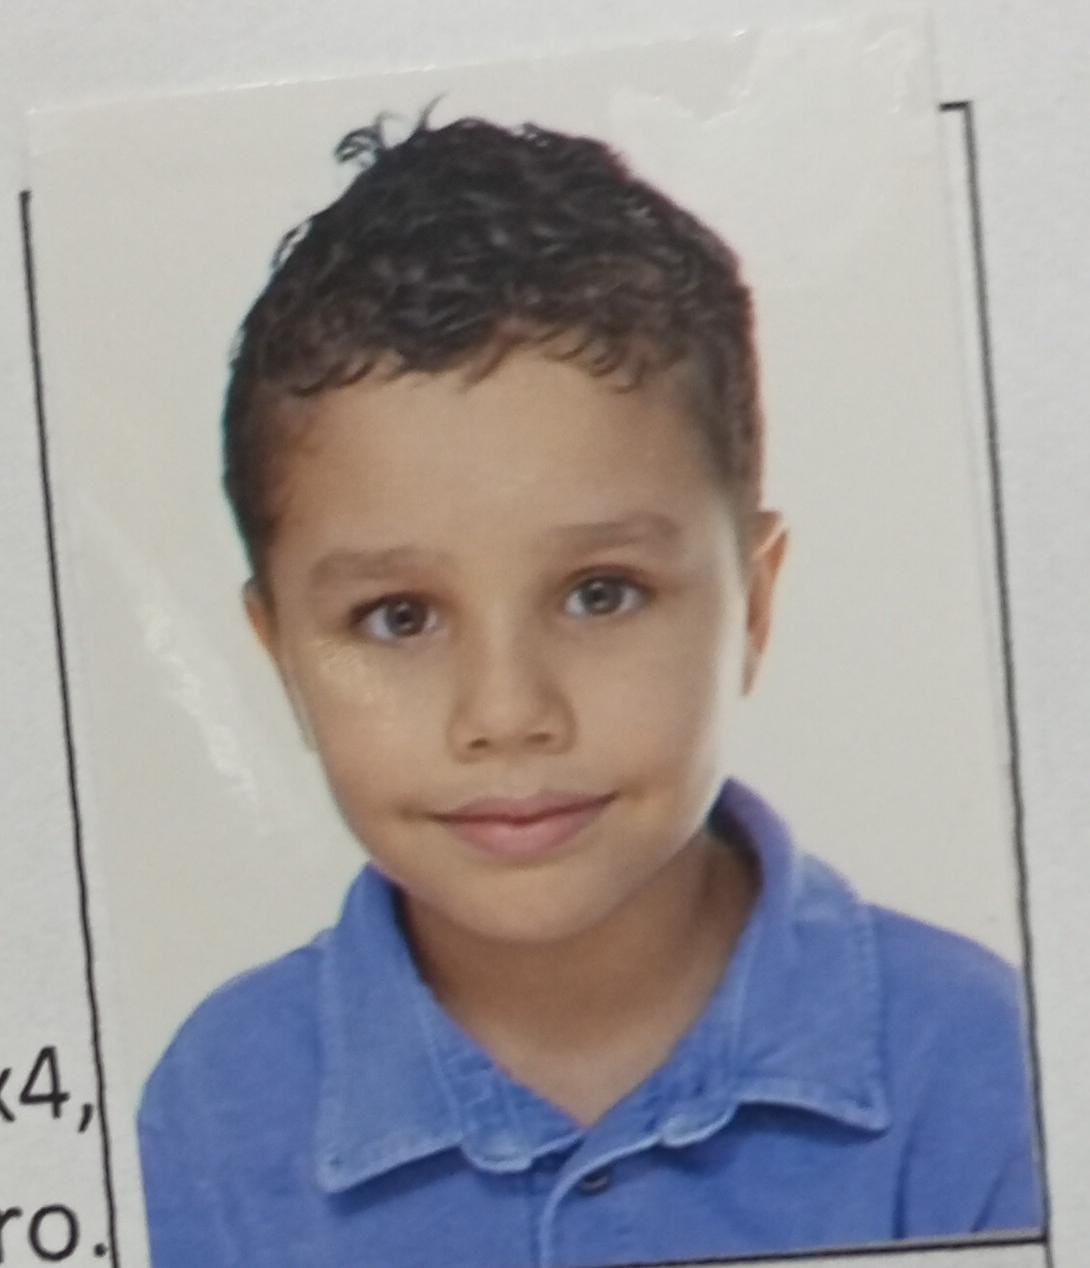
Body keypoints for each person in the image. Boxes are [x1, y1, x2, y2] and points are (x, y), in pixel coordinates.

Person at [137, 112, 1043, 1267]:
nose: (507, 712)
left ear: (754, 602)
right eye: (399, 616)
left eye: (600, 592)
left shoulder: (983, 1067)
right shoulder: (211, 1111)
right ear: (281, 657)